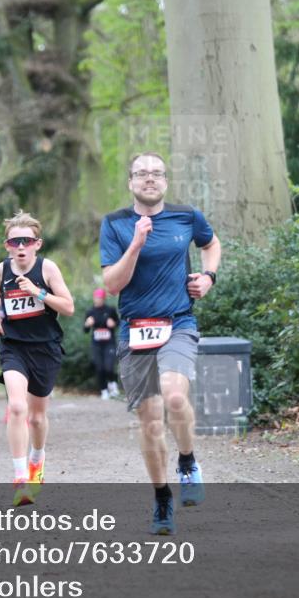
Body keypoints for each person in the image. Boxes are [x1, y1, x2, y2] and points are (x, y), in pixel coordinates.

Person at [100, 152, 221, 535]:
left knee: (173, 396)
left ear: (165, 181)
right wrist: (135, 244)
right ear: (131, 183)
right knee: (151, 423)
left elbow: (211, 244)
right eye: (141, 174)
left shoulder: (186, 216)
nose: (149, 179)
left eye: (156, 173)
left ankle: (187, 461)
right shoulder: (115, 225)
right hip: (134, 330)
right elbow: (112, 284)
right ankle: (162, 498)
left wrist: (208, 277)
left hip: (178, 324)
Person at [0, 211, 74, 506]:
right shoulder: (2, 269)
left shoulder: (48, 269)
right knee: (16, 406)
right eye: (15, 242)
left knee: (37, 417)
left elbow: (68, 306)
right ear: (7, 245)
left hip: (45, 347)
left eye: (27, 241)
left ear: (37, 244)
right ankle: (20, 478)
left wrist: (38, 292)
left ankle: (37, 459)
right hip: (13, 346)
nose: (20, 247)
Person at [83, 288, 119, 399]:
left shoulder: (110, 310)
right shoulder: (90, 312)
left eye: (100, 298)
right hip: (96, 344)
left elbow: (118, 322)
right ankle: (104, 390)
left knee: (109, 367)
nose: (97, 300)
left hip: (109, 343)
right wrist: (87, 324)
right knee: (100, 368)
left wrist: (113, 324)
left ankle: (112, 383)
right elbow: (85, 330)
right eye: (96, 298)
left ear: (103, 299)